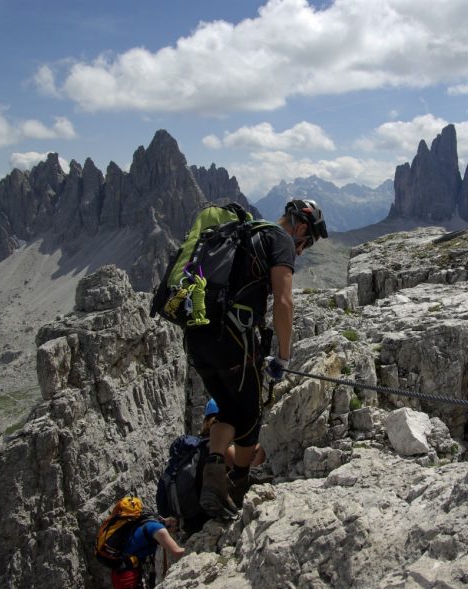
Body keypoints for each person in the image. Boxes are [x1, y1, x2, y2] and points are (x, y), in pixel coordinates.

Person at [185, 199, 327, 518]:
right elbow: (283, 300)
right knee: (249, 426)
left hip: (197, 339)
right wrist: (284, 356)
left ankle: (214, 476)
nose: (301, 251)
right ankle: (235, 486)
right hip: (233, 342)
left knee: (229, 413)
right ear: (301, 227)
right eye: (306, 243)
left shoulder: (242, 235)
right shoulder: (279, 239)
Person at [111, 516, 185, 589]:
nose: (175, 532)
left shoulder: (151, 520)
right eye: (177, 529)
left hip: (121, 571)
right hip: (127, 575)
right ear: (173, 522)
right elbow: (177, 552)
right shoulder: (158, 529)